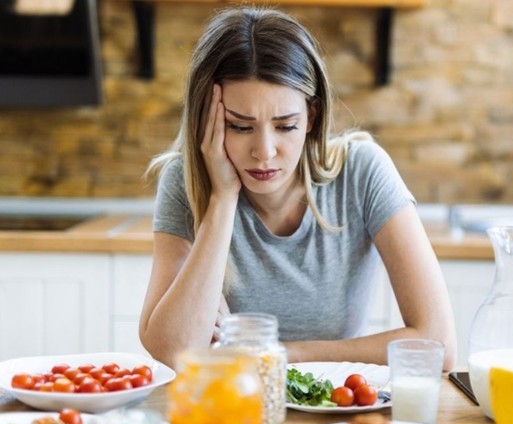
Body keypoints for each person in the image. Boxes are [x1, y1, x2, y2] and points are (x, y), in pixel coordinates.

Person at [139, 7, 457, 370]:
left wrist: (277, 353)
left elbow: (439, 345)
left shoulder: (362, 171)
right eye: (240, 127)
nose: (264, 152)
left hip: (333, 405)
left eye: (285, 126)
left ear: (312, 117)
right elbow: (172, 350)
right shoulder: (185, 182)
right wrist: (222, 201)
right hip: (229, 408)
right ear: (205, 121)